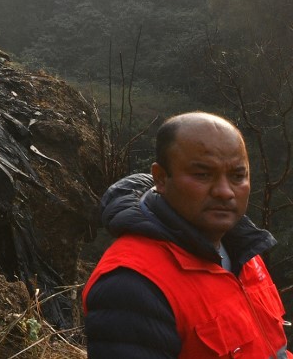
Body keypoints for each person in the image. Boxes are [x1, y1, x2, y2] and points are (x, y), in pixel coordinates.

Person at [84, 112, 290, 358]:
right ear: (160, 177)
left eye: (237, 176)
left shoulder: (243, 251)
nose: (225, 192)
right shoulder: (131, 285)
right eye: (202, 175)